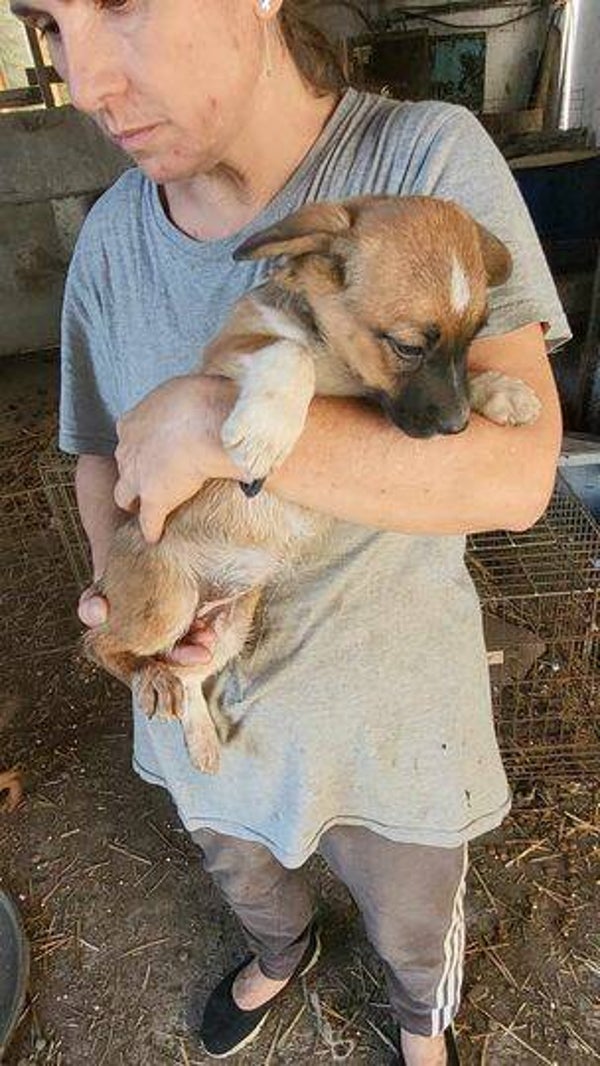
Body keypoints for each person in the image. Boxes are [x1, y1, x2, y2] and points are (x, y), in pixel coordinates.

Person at [11, 1, 568, 1062]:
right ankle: (281, 951)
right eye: (48, 23)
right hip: (212, 704)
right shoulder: (110, 242)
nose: (85, 84)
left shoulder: (422, 164)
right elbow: (94, 451)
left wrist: (210, 425)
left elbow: (516, 478)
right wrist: (123, 584)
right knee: (245, 874)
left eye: (121, 1)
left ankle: (420, 1023)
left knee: (412, 919)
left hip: (391, 728)